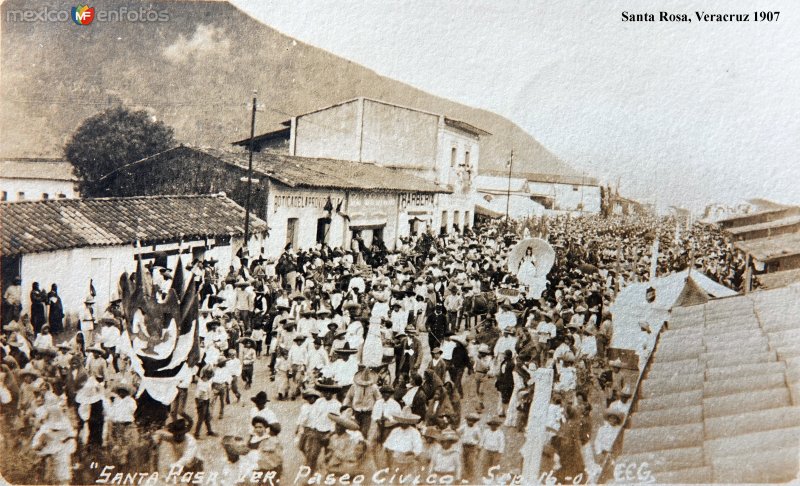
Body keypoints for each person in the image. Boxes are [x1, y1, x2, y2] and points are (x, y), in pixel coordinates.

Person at [323, 409, 367, 475]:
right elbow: (330, 452)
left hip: (345, 464)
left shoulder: (349, 439)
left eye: (339, 426)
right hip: (334, 463)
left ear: (344, 428)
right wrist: (327, 457)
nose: (337, 428)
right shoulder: (333, 437)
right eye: (336, 425)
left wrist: (335, 452)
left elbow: (349, 456)